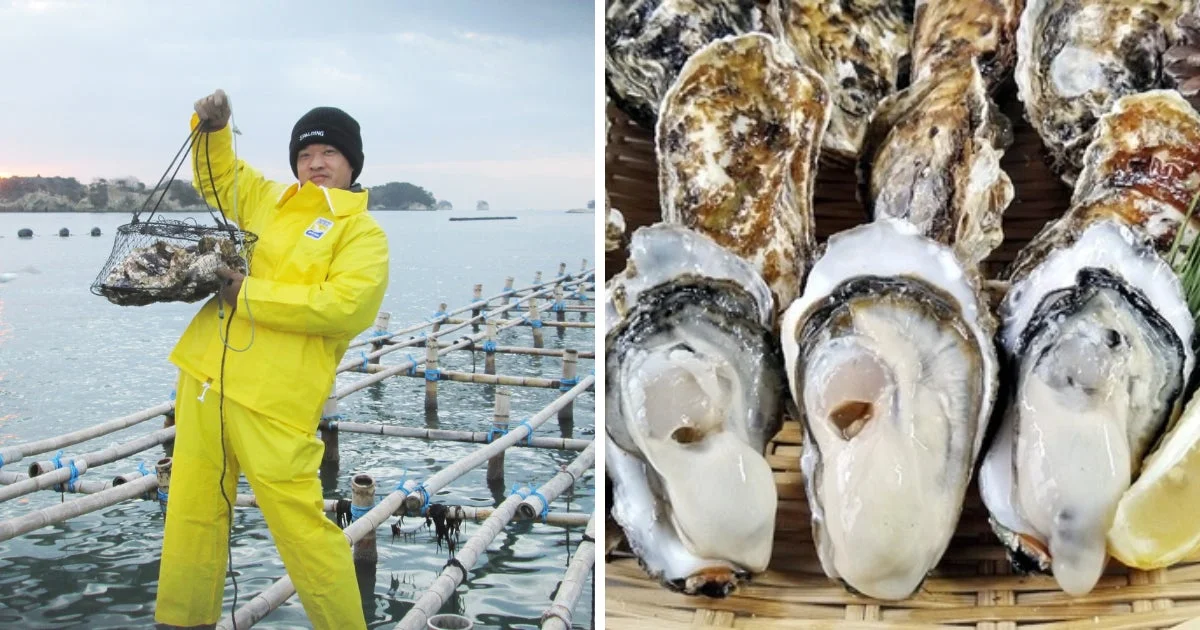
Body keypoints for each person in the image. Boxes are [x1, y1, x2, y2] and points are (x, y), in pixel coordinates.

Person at [154, 89, 388, 630]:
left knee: (302, 528)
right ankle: (183, 622)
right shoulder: (268, 201)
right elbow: (220, 178)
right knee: (192, 510)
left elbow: (345, 307)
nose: (315, 163)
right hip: (206, 375)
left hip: (275, 400)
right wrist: (211, 129)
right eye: (306, 154)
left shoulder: (362, 234)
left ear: (352, 162)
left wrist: (249, 295)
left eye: (329, 152)